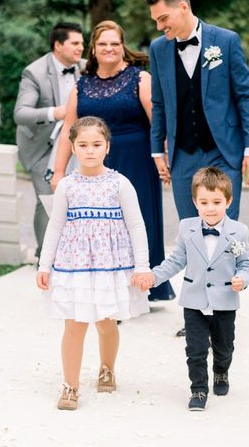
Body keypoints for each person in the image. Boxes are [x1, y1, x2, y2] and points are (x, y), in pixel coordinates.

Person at [50, 20, 174, 302]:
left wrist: (164, 158)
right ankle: (107, 286)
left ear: (123, 47)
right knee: (102, 224)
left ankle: (143, 288)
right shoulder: (81, 86)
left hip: (137, 160)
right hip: (94, 164)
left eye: (115, 44)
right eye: (103, 44)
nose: (109, 49)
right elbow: (69, 131)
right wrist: (58, 172)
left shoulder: (140, 79)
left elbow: (159, 124)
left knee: (137, 220)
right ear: (93, 48)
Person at [36, 116, 151, 410]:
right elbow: (55, 226)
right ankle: (70, 386)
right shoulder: (66, 186)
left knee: (105, 322)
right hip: (73, 266)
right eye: (83, 145)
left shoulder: (120, 184)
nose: (90, 150)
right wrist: (44, 265)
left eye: (96, 144)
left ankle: (107, 368)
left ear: (107, 147)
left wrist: (142, 266)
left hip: (109, 266)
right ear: (73, 148)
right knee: (74, 324)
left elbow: (136, 225)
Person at [134, 167, 249, 411]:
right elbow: (176, 260)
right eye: (204, 202)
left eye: (216, 202)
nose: (210, 208)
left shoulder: (238, 231)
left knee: (224, 347)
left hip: (224, 299)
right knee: (195, 349)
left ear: (228, 201)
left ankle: (221, 371)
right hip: (194, 300)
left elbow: (246, 262)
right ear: (195, 202)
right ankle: (198, 390)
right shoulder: (187, 228)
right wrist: (154, 276)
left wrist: (242, 279)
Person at [144, 0, 249, 222]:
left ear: (183, 8)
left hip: (224, 151)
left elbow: (245, 97)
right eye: (155, 20)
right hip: (182, 156)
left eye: (163, 18)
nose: (159, 26)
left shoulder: (226, 41)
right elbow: (159, 104)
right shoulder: (158, 49)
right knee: (190, 230)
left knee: (226, 231)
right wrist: (157, 152)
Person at [14, 22, 85, 258]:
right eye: (75, 43)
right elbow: (21, 114)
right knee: (47, 199)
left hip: (74, 146)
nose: (81, 48)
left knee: (74, 199)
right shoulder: (34, 72)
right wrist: (56, 112)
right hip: (40, 147)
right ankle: (45, 258)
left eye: (82, 43)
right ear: (58, 45)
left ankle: (70, 255)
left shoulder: (85, 68)